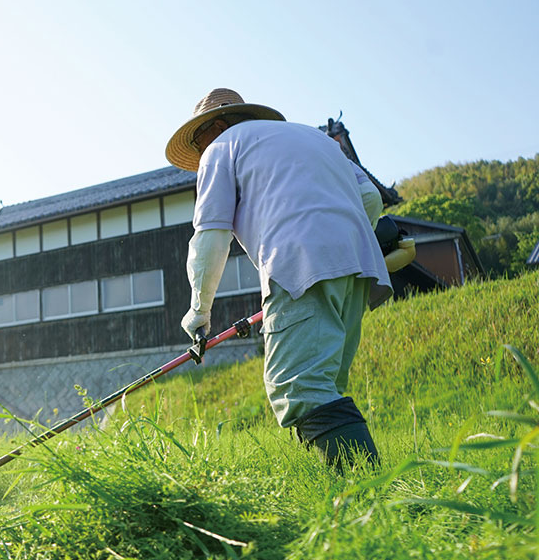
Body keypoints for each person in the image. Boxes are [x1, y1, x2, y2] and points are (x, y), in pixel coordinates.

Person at [165, 88, 398, 469]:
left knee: (298, 385)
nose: (200, 151)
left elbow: (210, 235)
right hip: (360, 266)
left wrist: (198, 312)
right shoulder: (316, 138)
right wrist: (345, 245)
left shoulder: (221, 148)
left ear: (218, 125)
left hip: (297, 262)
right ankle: (350, 500)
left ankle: (368, 498)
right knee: (324, 386)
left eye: (199, 139)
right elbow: (370, 198)